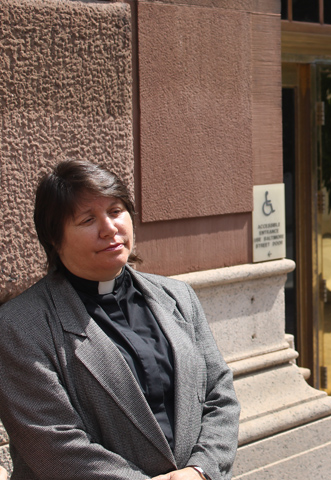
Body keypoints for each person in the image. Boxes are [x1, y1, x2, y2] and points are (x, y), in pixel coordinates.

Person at [0, 160, 241, 480]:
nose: (109, 228)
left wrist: (200, 469)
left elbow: (219, 393)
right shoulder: (20, 326)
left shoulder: (178, 296)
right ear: (55, 240)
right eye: (88, 219)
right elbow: (53, 443)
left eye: (116, 211)